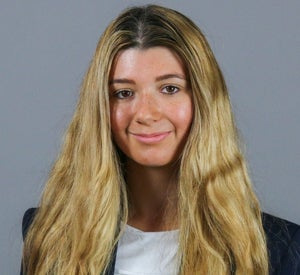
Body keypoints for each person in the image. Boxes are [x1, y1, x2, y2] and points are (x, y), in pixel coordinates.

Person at [21, 4, 300, 275]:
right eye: (124, 93)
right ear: (101, 108)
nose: (145, 113)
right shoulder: (51, 237)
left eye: (169, 88)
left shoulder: (279, 250)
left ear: (203, 101)